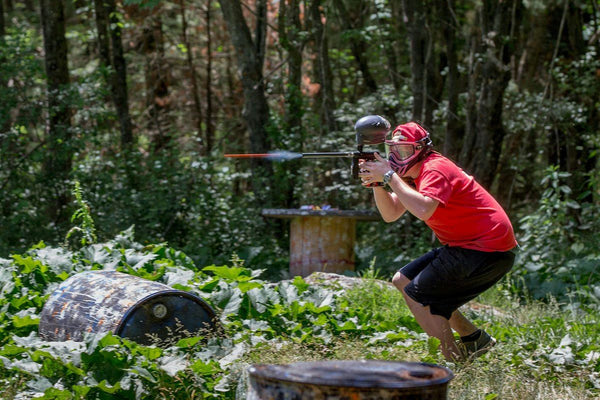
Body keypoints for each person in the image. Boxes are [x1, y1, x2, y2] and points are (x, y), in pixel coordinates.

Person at [358, 121, 517, 362]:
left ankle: (453, 362)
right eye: (394, 151)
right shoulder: (413, 176)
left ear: (421, 149)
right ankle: (474, 339)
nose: (398, 157)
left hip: (486, 249)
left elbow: (423, 209)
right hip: (470, 246)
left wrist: (389, 176)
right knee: (403, 280)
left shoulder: (435, 168)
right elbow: (390, 214)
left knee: (419, 294)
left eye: (404, 151)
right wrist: (377, 184)